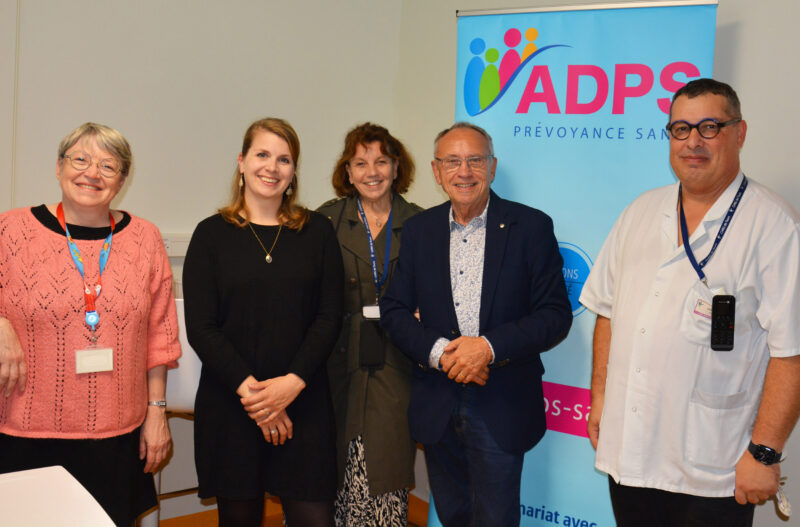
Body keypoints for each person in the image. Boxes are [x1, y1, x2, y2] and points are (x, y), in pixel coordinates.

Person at [580, 78, 800, 527]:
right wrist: (600, 398)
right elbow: (608, 311)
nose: (693, 141)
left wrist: (765, 451)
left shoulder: (774, 225)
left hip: (713, 465)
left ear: (739, 133)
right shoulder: (641, 211)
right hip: (630, 450)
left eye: (709, 127)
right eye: (680, 129)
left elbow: (791, 352)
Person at [380, 122, 572, 526]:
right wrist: (441, 354)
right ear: (436, 171)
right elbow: (394, 309)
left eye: (474, 160)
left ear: (493, 166)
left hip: (500, 403)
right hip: (438, 398)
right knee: (453, 515)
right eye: (452, 161)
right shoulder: (419, 230)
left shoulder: (531, 228)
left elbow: (554, 315)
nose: (463, 171)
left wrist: (485, 347)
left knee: (495, 519)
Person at [0, 122, 181, 525]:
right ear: (59, 166)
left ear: (123, 179)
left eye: (108, 165)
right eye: (80, 159)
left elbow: (159, 337)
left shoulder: (146, 238)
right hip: (23, 428)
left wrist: (157, 413)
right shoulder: (10, 230)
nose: (92, 173)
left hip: (116, 431)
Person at [183, 117, 344, 526]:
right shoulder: (210, 235)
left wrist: (290, 385)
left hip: (303, 402)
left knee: (314, 517)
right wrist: (258, 398)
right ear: (241, 162)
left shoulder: (318, 231)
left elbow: (329, 316)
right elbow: (202, 326)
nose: (272, 167)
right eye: (262, 154)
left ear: (293, 172)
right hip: (234, 404)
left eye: (284, 159)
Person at [318, 123, 422, 526]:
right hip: (333, 364)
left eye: (381, 161)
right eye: (360, 163)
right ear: (347, 172)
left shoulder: (421, 224)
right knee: (325, 468)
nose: (371, 172)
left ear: (397, 167)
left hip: (397, 365)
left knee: (384, 468)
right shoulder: (323, 222)